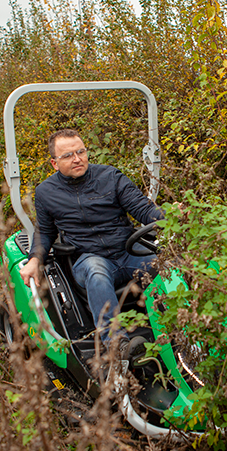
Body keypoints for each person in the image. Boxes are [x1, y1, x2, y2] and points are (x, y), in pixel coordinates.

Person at [19, 128, 162, 358]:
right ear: (54, 163)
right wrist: (35, 259)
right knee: (96, 273)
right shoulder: (46, 192)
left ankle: (178, 324)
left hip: (127, 251)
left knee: (167, 265)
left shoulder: (110, 177)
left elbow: (144, 210)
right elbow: (44, 232)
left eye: (81, 151)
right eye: (67, 155)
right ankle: (117, 344)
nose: (77, 159)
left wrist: (172, 219)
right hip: (89, 258)